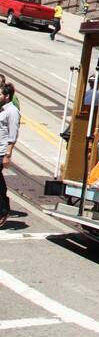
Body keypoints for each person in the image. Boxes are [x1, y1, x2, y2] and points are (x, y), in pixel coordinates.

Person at [0, 84, 20, 229]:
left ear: (7, 96)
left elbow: (12, 135)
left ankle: (3, 210)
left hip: (1, 152)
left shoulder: (12, 111)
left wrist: (8, 154)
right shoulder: (1, 109)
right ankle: (3, 207)